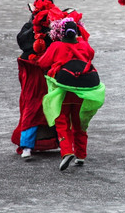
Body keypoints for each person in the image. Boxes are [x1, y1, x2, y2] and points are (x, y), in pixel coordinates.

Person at [39, 18, 105, 171]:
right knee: (79, 123)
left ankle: (67, 151)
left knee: (62, 122)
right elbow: (91, 55)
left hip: (63, 92)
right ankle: (81, 155)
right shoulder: (84, 45)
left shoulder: (56, 46)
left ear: (60, 32)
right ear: (76, 32)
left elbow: (43, 63)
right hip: (82, 92)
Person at [12, 0, 65, 160]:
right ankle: (30, 144)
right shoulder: (32, 28)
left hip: (48, 72)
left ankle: (62, 143)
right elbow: (24, 43)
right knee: (40, 107)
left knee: (53, 106)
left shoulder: (56, 27)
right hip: (36, 73)